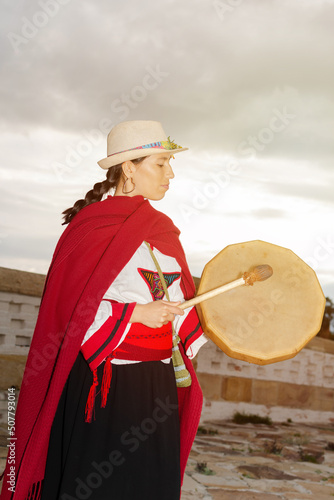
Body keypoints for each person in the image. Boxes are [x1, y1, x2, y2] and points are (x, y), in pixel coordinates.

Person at [0, 120, 207, 500]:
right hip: (105, 387)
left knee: (148, 485)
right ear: (129, 167)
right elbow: (71, 309)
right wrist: (134, 315)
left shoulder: (163, 230)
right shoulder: (90, 227)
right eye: (160, 164)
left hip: (156, 387)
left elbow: (181, 302)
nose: (171, 174)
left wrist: (197, 314)